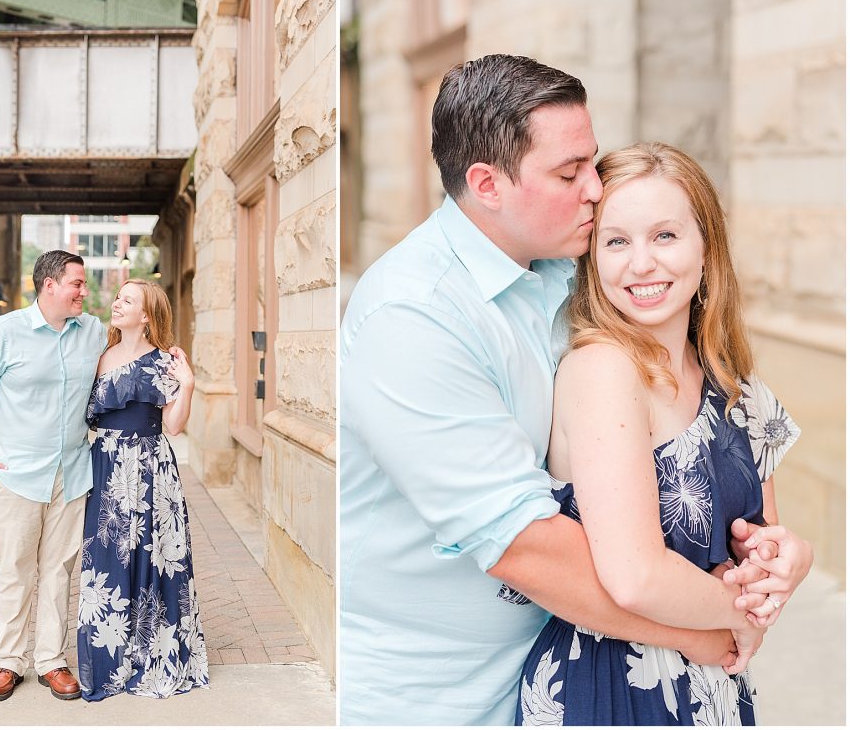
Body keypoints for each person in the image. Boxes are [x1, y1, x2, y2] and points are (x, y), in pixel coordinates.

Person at [339, 55, 809, 725]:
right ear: (487, 183)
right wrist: (719, 626)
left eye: (591, 162)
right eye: (570, 172)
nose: (595, 188)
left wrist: (783, 561)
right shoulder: (412, 316)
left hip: (554, 659)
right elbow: (526, 545)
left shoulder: (566, 269)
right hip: (432, 692)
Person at [514, 142, 812, 725]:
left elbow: (759, 540)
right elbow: (635, 577)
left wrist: (789, 562)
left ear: (707, 249)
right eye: (617, 241)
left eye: (665, 236)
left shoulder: (734, 383)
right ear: (592, 259)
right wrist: (743, 613)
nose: (642, 264)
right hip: (612, 689)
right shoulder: (602, 371)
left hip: (714, 684)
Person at [0, 250, 107, 702]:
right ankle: (9, 662)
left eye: (84, 284)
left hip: (72, 471)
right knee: (15, 571)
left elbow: (127, 359)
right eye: (77, 284)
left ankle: (51, 662)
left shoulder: (95, 332)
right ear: (49, 285)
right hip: (16, 474)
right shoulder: (5, 333)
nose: (85, 291)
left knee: (59, 571)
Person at [76, 278, 209, 700]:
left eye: (127, 300)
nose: (117, 303)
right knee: (107, 562)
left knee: (152, 558)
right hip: (107, 467)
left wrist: (187, 385)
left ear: (146, 314)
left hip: (151, 467)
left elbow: (173, 425)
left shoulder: (164, 362)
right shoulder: (101, 357)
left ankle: (153, 655)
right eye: (118, 297)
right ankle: (109, 660)